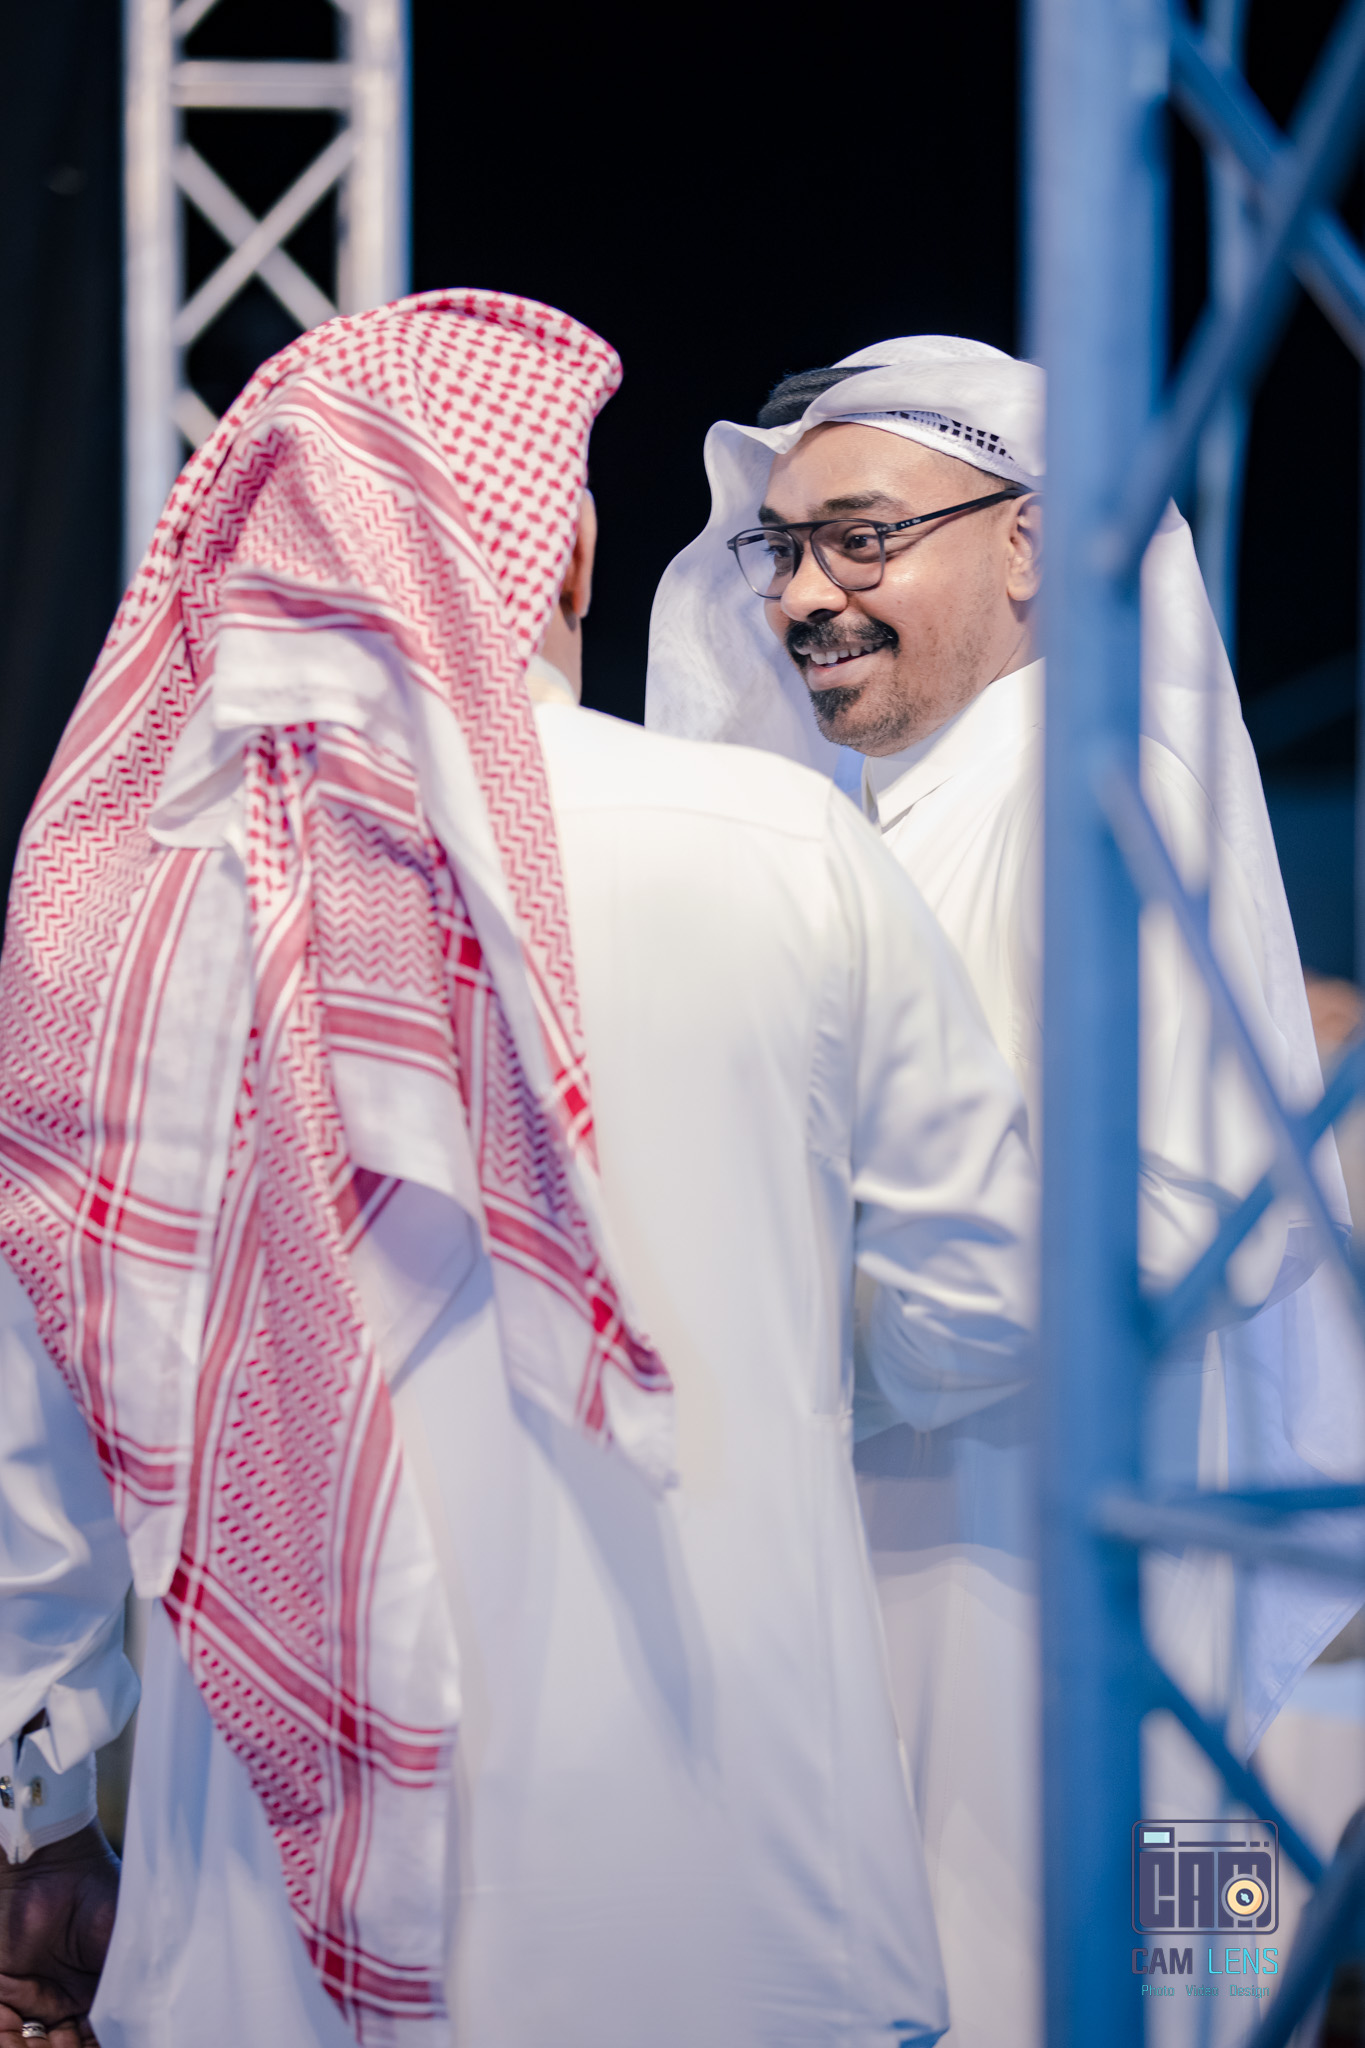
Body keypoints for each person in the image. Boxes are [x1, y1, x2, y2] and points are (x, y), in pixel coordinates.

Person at [0, 294, 1039, 2048]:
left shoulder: (137, 911)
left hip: (271, 1934)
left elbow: (49, 1438)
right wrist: (758, 1367)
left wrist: (32, 1811)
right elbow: (989, 1307)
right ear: (560, 553)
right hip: (743, 1907)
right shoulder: (783, 840)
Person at [645, 334, 1365, 2048]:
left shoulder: (1098, 792)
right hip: (945, 1586)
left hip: (1059, 1616)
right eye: (784, 549)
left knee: (1148, 1989)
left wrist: (790, 1339)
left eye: (861, 540)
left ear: (1028, 542)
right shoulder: (913, 810)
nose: (804, 595)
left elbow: (1178, 1224)